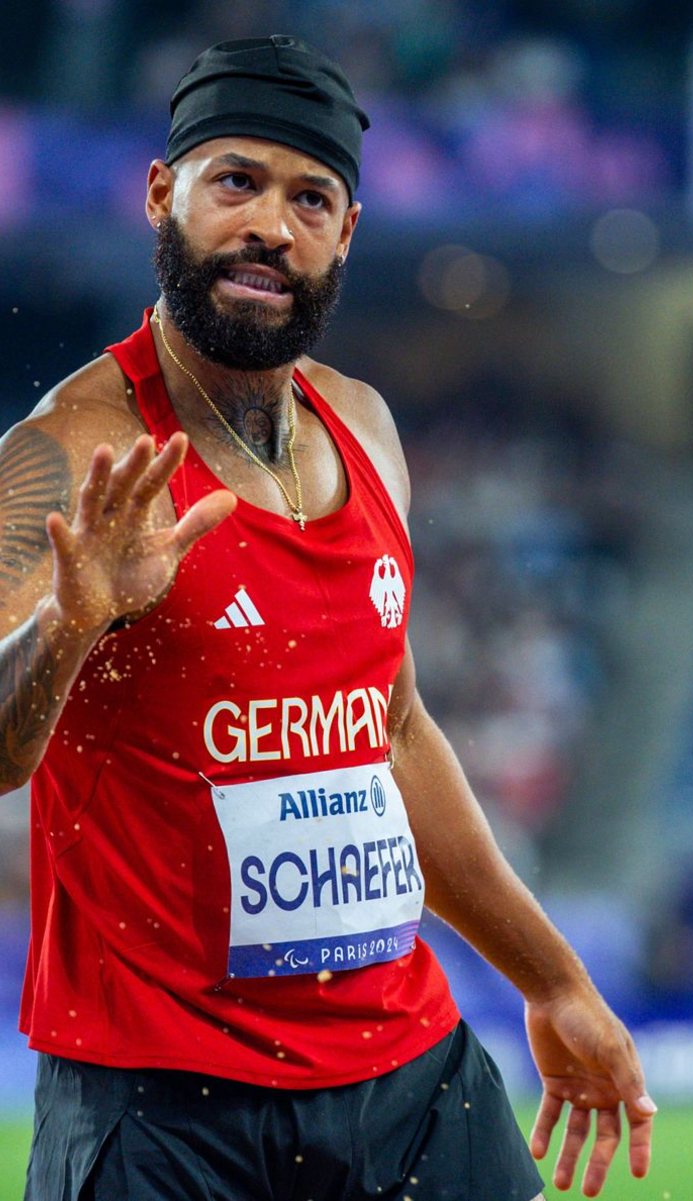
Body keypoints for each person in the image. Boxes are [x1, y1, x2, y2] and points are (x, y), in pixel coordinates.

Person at [2, 35, 654, 1200]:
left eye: (310, 198)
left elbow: (392, 730)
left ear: (346, 230)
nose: (271, 226)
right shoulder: (73, 448)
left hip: (407, 1076)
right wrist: (71, 622)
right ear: (162, 194)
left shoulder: (366, 426)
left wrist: (554, 980)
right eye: (236, 182)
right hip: (163, 1107)